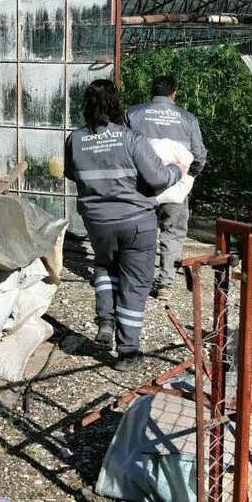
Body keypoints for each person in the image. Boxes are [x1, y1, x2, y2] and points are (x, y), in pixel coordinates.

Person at [65, 80, 184, 371]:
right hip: (136, 222)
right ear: (116, 104)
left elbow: (71, 173)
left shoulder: (75, 139)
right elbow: (157, 178)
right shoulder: (131, 138)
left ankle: (106, 317)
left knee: (105, 266)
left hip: (97, 223)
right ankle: (128, 352)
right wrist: (177, 171)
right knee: (135, 282)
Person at [126, 75, 208, 299]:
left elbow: (122, 149)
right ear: (174, 94)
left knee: (138, 230)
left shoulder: (132, 114)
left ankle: (136, 279)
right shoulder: (188, 119)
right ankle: (165, 284)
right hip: (175, 185)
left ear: (151, 92)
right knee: (173, 232)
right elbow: (199, 155)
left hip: (141, 185)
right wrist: (188, 176)